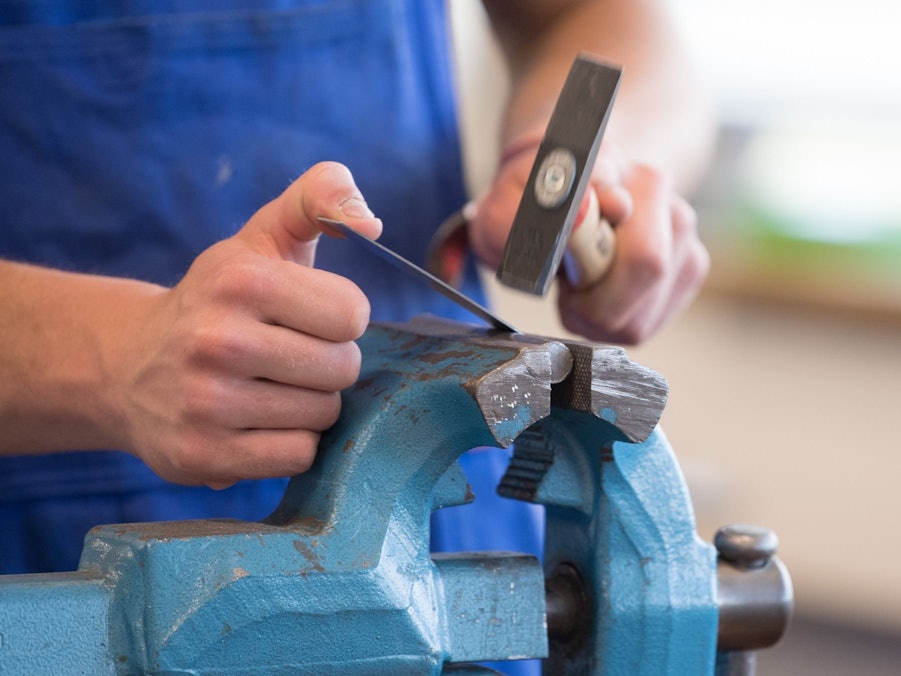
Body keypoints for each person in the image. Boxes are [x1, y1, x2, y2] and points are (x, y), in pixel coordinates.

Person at [0, 1, 711, 671]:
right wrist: (115, 355)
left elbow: (604, 17)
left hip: (447, 491)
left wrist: (588, 166)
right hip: (48, 547)